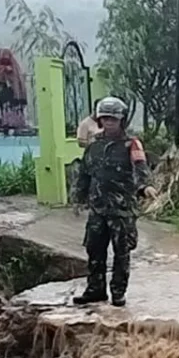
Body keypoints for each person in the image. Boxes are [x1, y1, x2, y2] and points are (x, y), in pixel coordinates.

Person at [72, 97, 156, 307]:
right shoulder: (94, 146)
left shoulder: (131, 144)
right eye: (105, 118)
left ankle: (118, 291)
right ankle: (95, 289)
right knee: (94, 249)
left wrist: (145, 187)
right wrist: (78, 197)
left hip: (121, 209)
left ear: (122, 121)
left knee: (121, 252)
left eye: (113, 119)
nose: (109, 123)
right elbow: (85, 172)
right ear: (100, 120)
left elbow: (140, 167)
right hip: (98, 208)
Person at [0, 48, 28, 135]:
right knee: (5, 108)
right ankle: (5, 126)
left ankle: (18, 127)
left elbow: (19, 78)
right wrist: (2, 71)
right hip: (3, 90)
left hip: (15, 91)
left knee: (16, 109)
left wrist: (11, 72)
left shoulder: (15, 65)